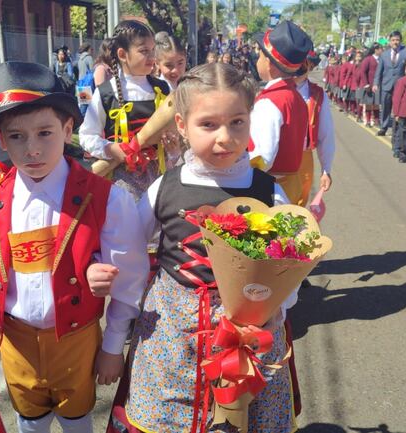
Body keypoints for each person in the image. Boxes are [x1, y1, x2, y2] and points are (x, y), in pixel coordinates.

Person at [0, 61, 148, 433]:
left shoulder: (106, 200)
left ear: (68, 129)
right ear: (0, 137)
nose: (32, 149)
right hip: (16, 342)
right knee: (29, 421)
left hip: (76, 341)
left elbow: (129, 278)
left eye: (45, 133)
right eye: (16, 136)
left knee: (77, 420)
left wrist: (113, 345)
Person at [116, 61, 296, 433]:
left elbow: (289, 265)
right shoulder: (163, 188)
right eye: (208, 124)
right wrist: (116, 333)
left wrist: (276, 307)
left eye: (237, 123)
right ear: (181, 125)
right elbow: (130, 257)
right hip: (173, 337)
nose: (225, 137)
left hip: (250, 334)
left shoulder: (270, 191)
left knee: (246, 418)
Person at [79, 20, 170, 199]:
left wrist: (172, 145)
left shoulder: (162, 88)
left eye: (153, 50)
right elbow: (86, 135)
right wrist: (111, 149)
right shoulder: (106, 92)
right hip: (121, 177)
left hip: (160, 172)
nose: (152, 57)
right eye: (144, 51)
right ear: (122, 54)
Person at [249, 20, 313, 205]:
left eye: (260, 55)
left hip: (271, 190)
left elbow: (262, 158)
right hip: (291, 184)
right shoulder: (296, 98)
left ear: (269, 63)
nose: (257, 59)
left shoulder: (270, 102)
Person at [294, 52, 335, 206]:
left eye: (304, 64)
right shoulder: (273, 91)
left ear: (311, 66)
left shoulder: (318, 95)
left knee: (298, 205)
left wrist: (326, 170)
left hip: (303, 158)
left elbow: (326, 134)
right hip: (275, 161)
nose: (298, 68)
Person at [373, 31, 406, 141]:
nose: (395, 42)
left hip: (401, 85)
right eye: (393, 40)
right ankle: (383, 127)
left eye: (397, 40)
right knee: (385, 107)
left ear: (400, 41)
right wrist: (376, 83)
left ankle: (397, 129)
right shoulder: (384, 54)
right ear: (390, 41)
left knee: (398, 108)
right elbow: (379, 70)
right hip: (386, 85)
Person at [358, 43, 382, 127]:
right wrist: (366, 84)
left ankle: (376, 120)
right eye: (380, 49)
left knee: (376, 104)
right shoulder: (368, 59)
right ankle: (368, 121)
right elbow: (363, 72)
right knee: (368, 104)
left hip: (378, 85)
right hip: (369, 85)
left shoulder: (381, 59)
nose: (381, 50)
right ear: (375, 50)